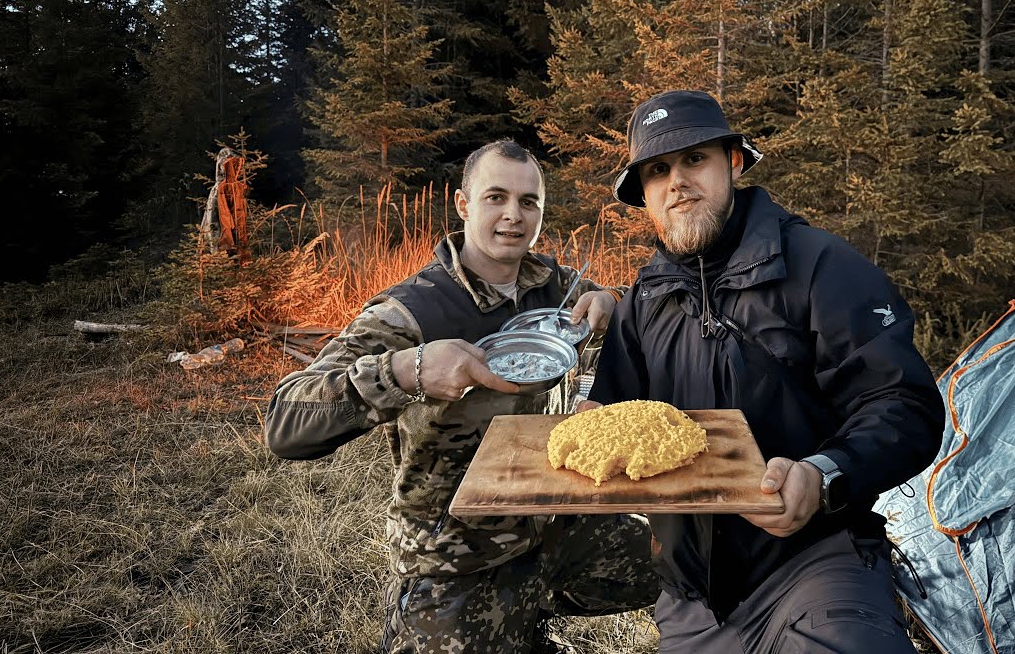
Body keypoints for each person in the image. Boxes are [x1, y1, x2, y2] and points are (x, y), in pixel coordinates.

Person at [580, 90, 945, 653]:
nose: (676, 181)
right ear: (646, 195)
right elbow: (610, 409)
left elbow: (903, 404)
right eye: (657, 171)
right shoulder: (643, 299)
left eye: (694, 159)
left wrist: (824, 475)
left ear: (733, 162)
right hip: (691, 600)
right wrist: (587, 423)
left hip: (814, 564)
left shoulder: (821, 267)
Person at [266, 139, 659, 654]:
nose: (513, 216)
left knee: (683, 559)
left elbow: (636, 313)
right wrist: (409, 371)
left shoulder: (554, 285)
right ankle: (501, 616)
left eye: (528, 202)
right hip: (458, 550)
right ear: (462, 204)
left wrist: (615, 300)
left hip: (559, 520)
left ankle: (523, 610)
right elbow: (285, 422)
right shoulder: (409, 311)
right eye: (495, 197)